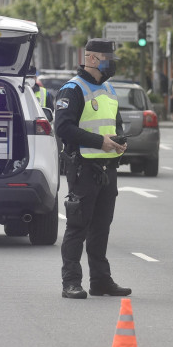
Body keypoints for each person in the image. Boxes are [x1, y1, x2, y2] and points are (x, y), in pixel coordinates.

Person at [54, 39, 131, 299]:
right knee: (78, 226)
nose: (112, 64)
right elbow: (63, 128)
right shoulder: (72, 90)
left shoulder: (108, 89)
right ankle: (71, 282)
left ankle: (100, 281)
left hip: (107, 168)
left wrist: (120, 141)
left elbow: (115, 124)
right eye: (108, 58)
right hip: (83, 167)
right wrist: (100, 142)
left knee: (102, 227)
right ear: (93, 59)